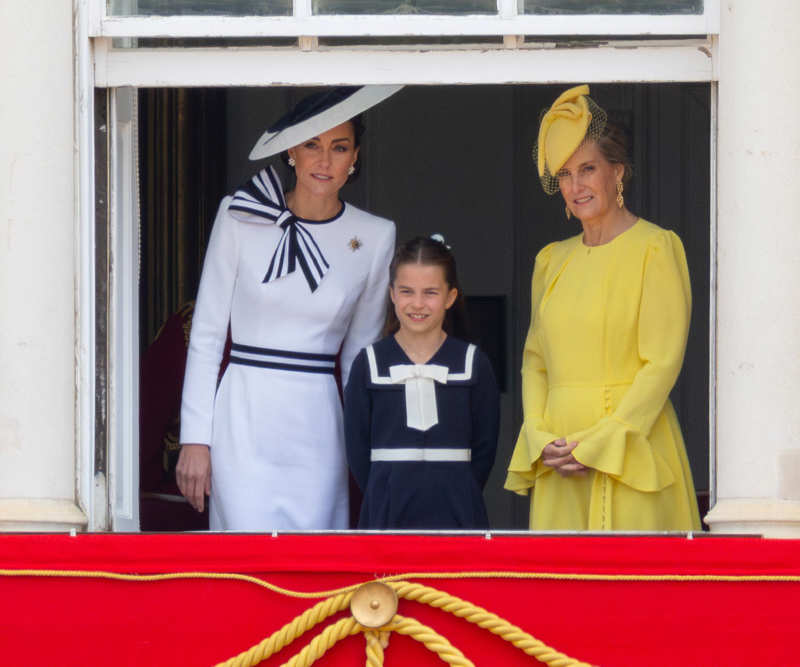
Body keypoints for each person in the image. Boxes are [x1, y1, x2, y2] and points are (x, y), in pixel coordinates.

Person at [176, 86, 401, 531]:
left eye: (339, 147)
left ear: (355, 156)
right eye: (311, 145)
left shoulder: (375, 235)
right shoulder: (240, 216)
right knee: (243, 557)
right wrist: (195, 439)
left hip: (318, 423)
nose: (324, 160)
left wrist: (370, 442)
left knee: (316, 560)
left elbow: (359, 356)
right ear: (291, 152)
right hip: (243, 412)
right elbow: (206, 333)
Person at [505, 85, 701, 531]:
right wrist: (539, 433)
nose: (576, 186)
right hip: (560, 456)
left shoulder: (655, 247)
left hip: (629, 450)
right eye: (566, 174)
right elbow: (535, 362)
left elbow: (662, 363)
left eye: (588, 169)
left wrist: (605, 441)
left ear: (618, 172)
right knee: (560, 593)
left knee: (635, 594)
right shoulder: (550, 260)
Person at [344, 236, 499, 530]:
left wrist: (458, 488)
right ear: (392, 294)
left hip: (458, 512)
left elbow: (484, 449)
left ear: (450, 297)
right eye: (406, 291)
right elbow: (357, 451)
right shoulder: (369, 364)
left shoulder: (473, 363)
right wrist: (385, 490)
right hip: (386, 513)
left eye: (430, 293)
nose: (417, 304)